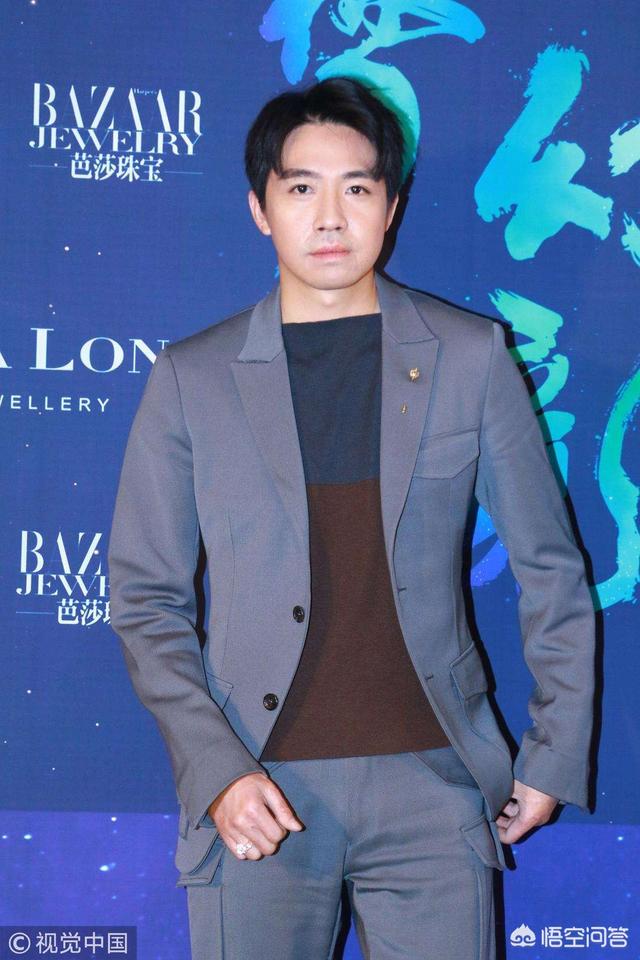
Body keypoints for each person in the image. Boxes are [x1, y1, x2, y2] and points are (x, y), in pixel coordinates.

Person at [107, 76, 596, 959]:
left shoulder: (470, 357)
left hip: (436, 788)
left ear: (391, 206)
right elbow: (145, 597)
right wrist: (216, 769)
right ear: (259, 208)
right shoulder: (191, 378)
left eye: (357, 188)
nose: (330, 217)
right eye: (301, 188)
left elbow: (550, 569)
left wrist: (553, 753)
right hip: (257, 786)